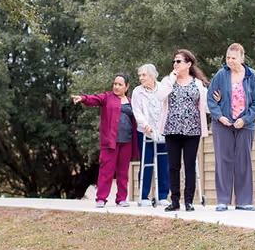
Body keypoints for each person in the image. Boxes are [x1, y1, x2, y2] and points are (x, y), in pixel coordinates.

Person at [207, 42, 255, 211]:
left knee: (243, 161)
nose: (230, 61)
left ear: (242, 58)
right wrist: (219, 117)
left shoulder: (252, 76)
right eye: (228, 58)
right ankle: (223, 201)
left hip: (245, 125)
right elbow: (211, 99)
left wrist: (245, 119)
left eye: (233, 58)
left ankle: (244, 201)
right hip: (223, 124)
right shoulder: (221, 75)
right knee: (223, 161)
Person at [72, 74, 140, 208]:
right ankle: (101, 198)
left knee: (123, 172)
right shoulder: (107, 97)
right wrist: (83, 98)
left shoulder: (131, 102)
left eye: (120, 84)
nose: (116, 86)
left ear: (127, 87)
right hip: (110, 142)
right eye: (115, 84)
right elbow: (94, 99)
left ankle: (121, 199)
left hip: (127, 142)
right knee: (106, 171)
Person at [155, 50, 210, 212]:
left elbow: (206, 107)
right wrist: (172, 78)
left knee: (190, 165)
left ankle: (189, 201)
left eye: (179, 61)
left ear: (188, 64)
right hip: (172, 129)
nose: (175, 64)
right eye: (174, 61)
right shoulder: (168, 81)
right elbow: (159, 96)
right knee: (173, 166)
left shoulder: (198, 84)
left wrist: (219, 101)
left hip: (193, 130)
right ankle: (175, 201)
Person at [131, 64, 170, 205]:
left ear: (152, 76)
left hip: (163, 131)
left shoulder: (163, 88)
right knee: (146, 162)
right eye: (140, 75)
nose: (141, 78)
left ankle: (163, 196)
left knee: (164, 163)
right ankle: (143, 196)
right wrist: (145, 125)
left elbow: (168, 107)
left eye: (144, 75)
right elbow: (137, 111)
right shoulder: (137, 91)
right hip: (145, 131)